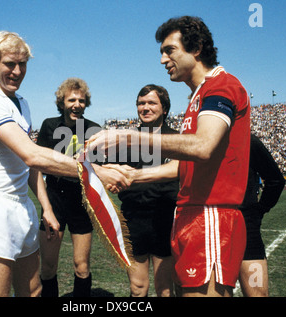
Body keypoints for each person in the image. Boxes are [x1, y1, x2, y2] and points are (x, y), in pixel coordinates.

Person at [89, 16, 251, 297]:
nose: (163, 60)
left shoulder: (221, 86)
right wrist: (135, 175)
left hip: (210, 214)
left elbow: (202, 146)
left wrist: (125, 136)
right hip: (190, 215)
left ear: (197, 48)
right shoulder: (197, 98)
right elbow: (184, 166)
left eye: (169, 50)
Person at [0, 31, 129, 297]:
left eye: (23, 64)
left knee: (34, 290)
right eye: (9, 64)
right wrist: (95, 172)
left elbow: (29, 167)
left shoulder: (21, 103)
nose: (17, 71)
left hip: (22, 206)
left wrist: (46, 209)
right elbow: (32, 155)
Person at [36, 78, 100, 297]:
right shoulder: (49, 126)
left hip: (82, 203)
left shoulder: (93, 130)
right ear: (61, 102)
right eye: (71, 99)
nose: (77, 104)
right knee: (48, 267)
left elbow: (98, 169)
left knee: (82, 267)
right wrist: (46, 208)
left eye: (81, 100)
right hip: (54, 201)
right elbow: (38, 164)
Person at [116, 84, 179, 297]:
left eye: (152, 103)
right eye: (141, 103)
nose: (145, 108)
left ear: (165, 108)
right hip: (133, 220)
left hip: (166, 220)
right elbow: (114, 175)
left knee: (165, 290)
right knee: (137, 288)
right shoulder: (126, 141)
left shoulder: (177, 140)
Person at [238, 134, 285, 297]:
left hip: (246, 228)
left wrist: (260, 209)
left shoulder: (248, 141)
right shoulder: (203, 138)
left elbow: (276, 180)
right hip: (213, 228)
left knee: (257, 294)